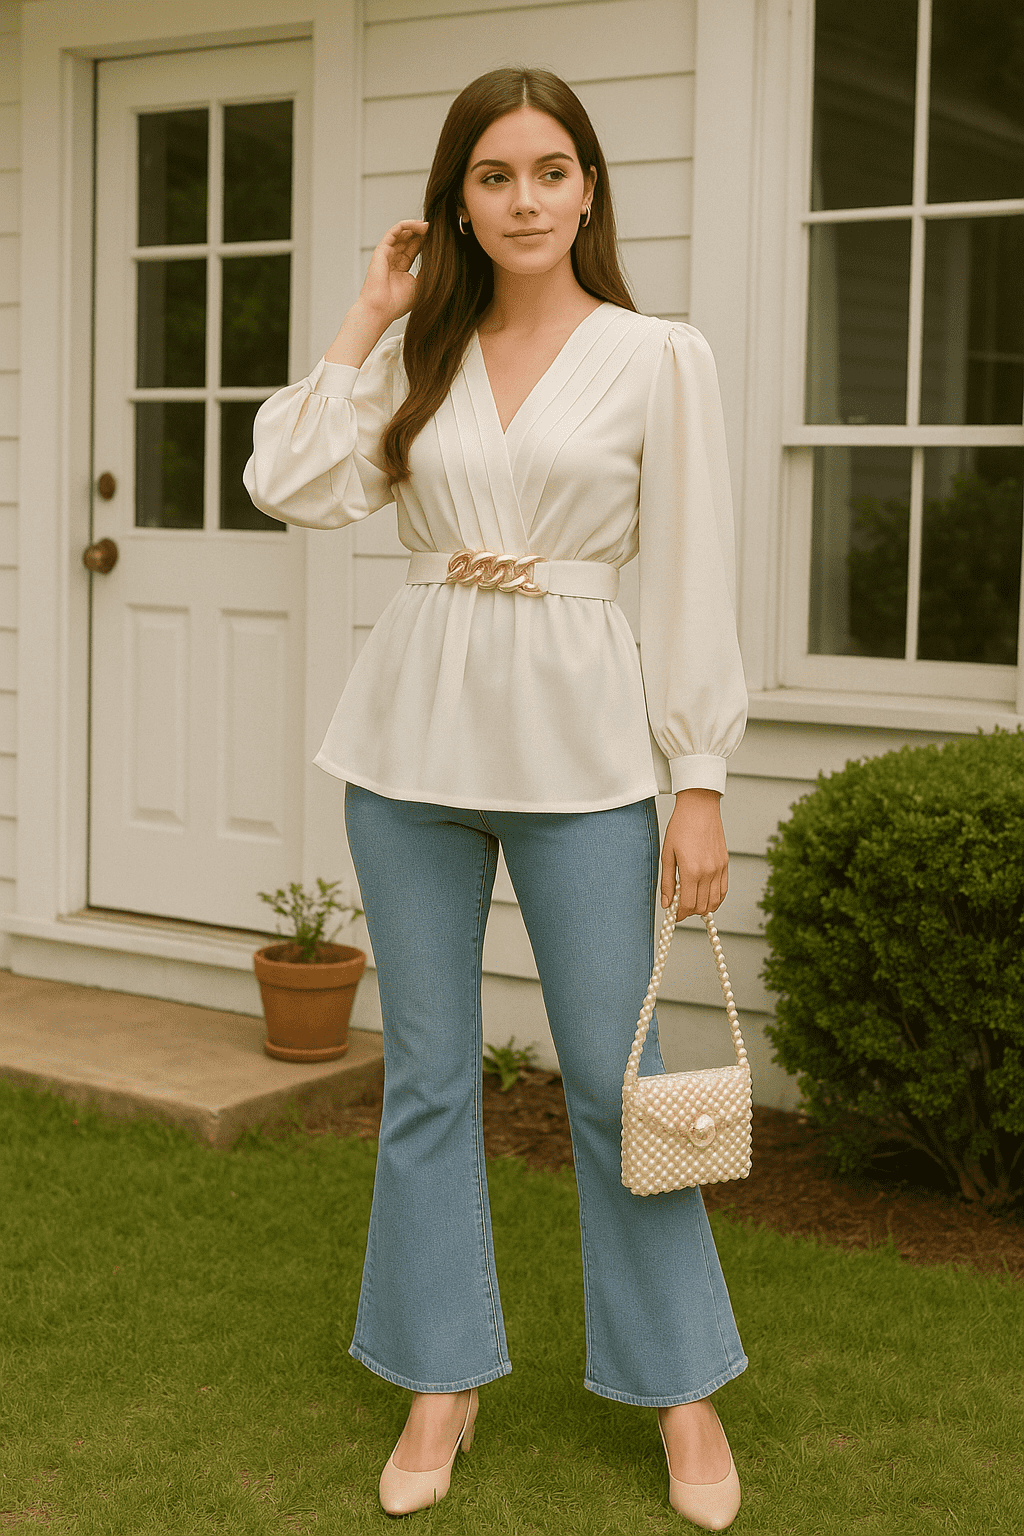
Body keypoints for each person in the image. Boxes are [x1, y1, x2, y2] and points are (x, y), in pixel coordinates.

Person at [244, 66, 748, 1530]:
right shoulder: (424, 348)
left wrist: (698, 779)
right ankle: (438, 1375)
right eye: (491, 176)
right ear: (454, 197)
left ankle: (680, 1391)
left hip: (588, 757)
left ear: (589, 186)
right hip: (408, 751)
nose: (522, 200)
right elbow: (289, 481)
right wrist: (368, 316)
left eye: (548, 171)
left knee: (615, 1080)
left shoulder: (662, 356)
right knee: (428, 1078)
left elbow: (699, 572)